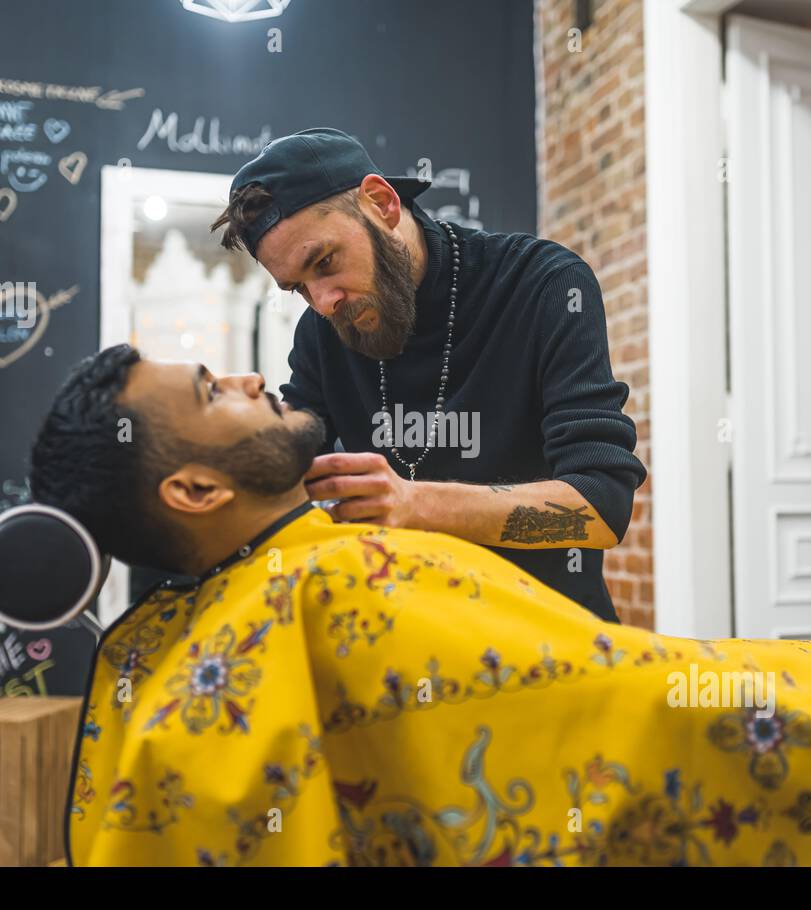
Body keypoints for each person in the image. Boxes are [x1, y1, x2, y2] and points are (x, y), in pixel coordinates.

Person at [31, 346, 811, 867]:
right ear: (196, 492)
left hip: (676, 668)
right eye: (215, 389)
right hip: (722, 718)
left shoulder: (208, 616)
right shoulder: (323, 583)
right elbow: (635, 714)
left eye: (320, 265)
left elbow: (601, 516)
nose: (258, 373)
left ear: (381, 205)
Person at [212, 128, 646, 622]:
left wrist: (414, 504)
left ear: (381, 203)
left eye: (325, 261)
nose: (324, 301)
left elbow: (602, 506)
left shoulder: (542, 284)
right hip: (406, 649)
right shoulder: (321, 332)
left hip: (551, 643)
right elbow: (289, 460)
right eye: (299, 288)